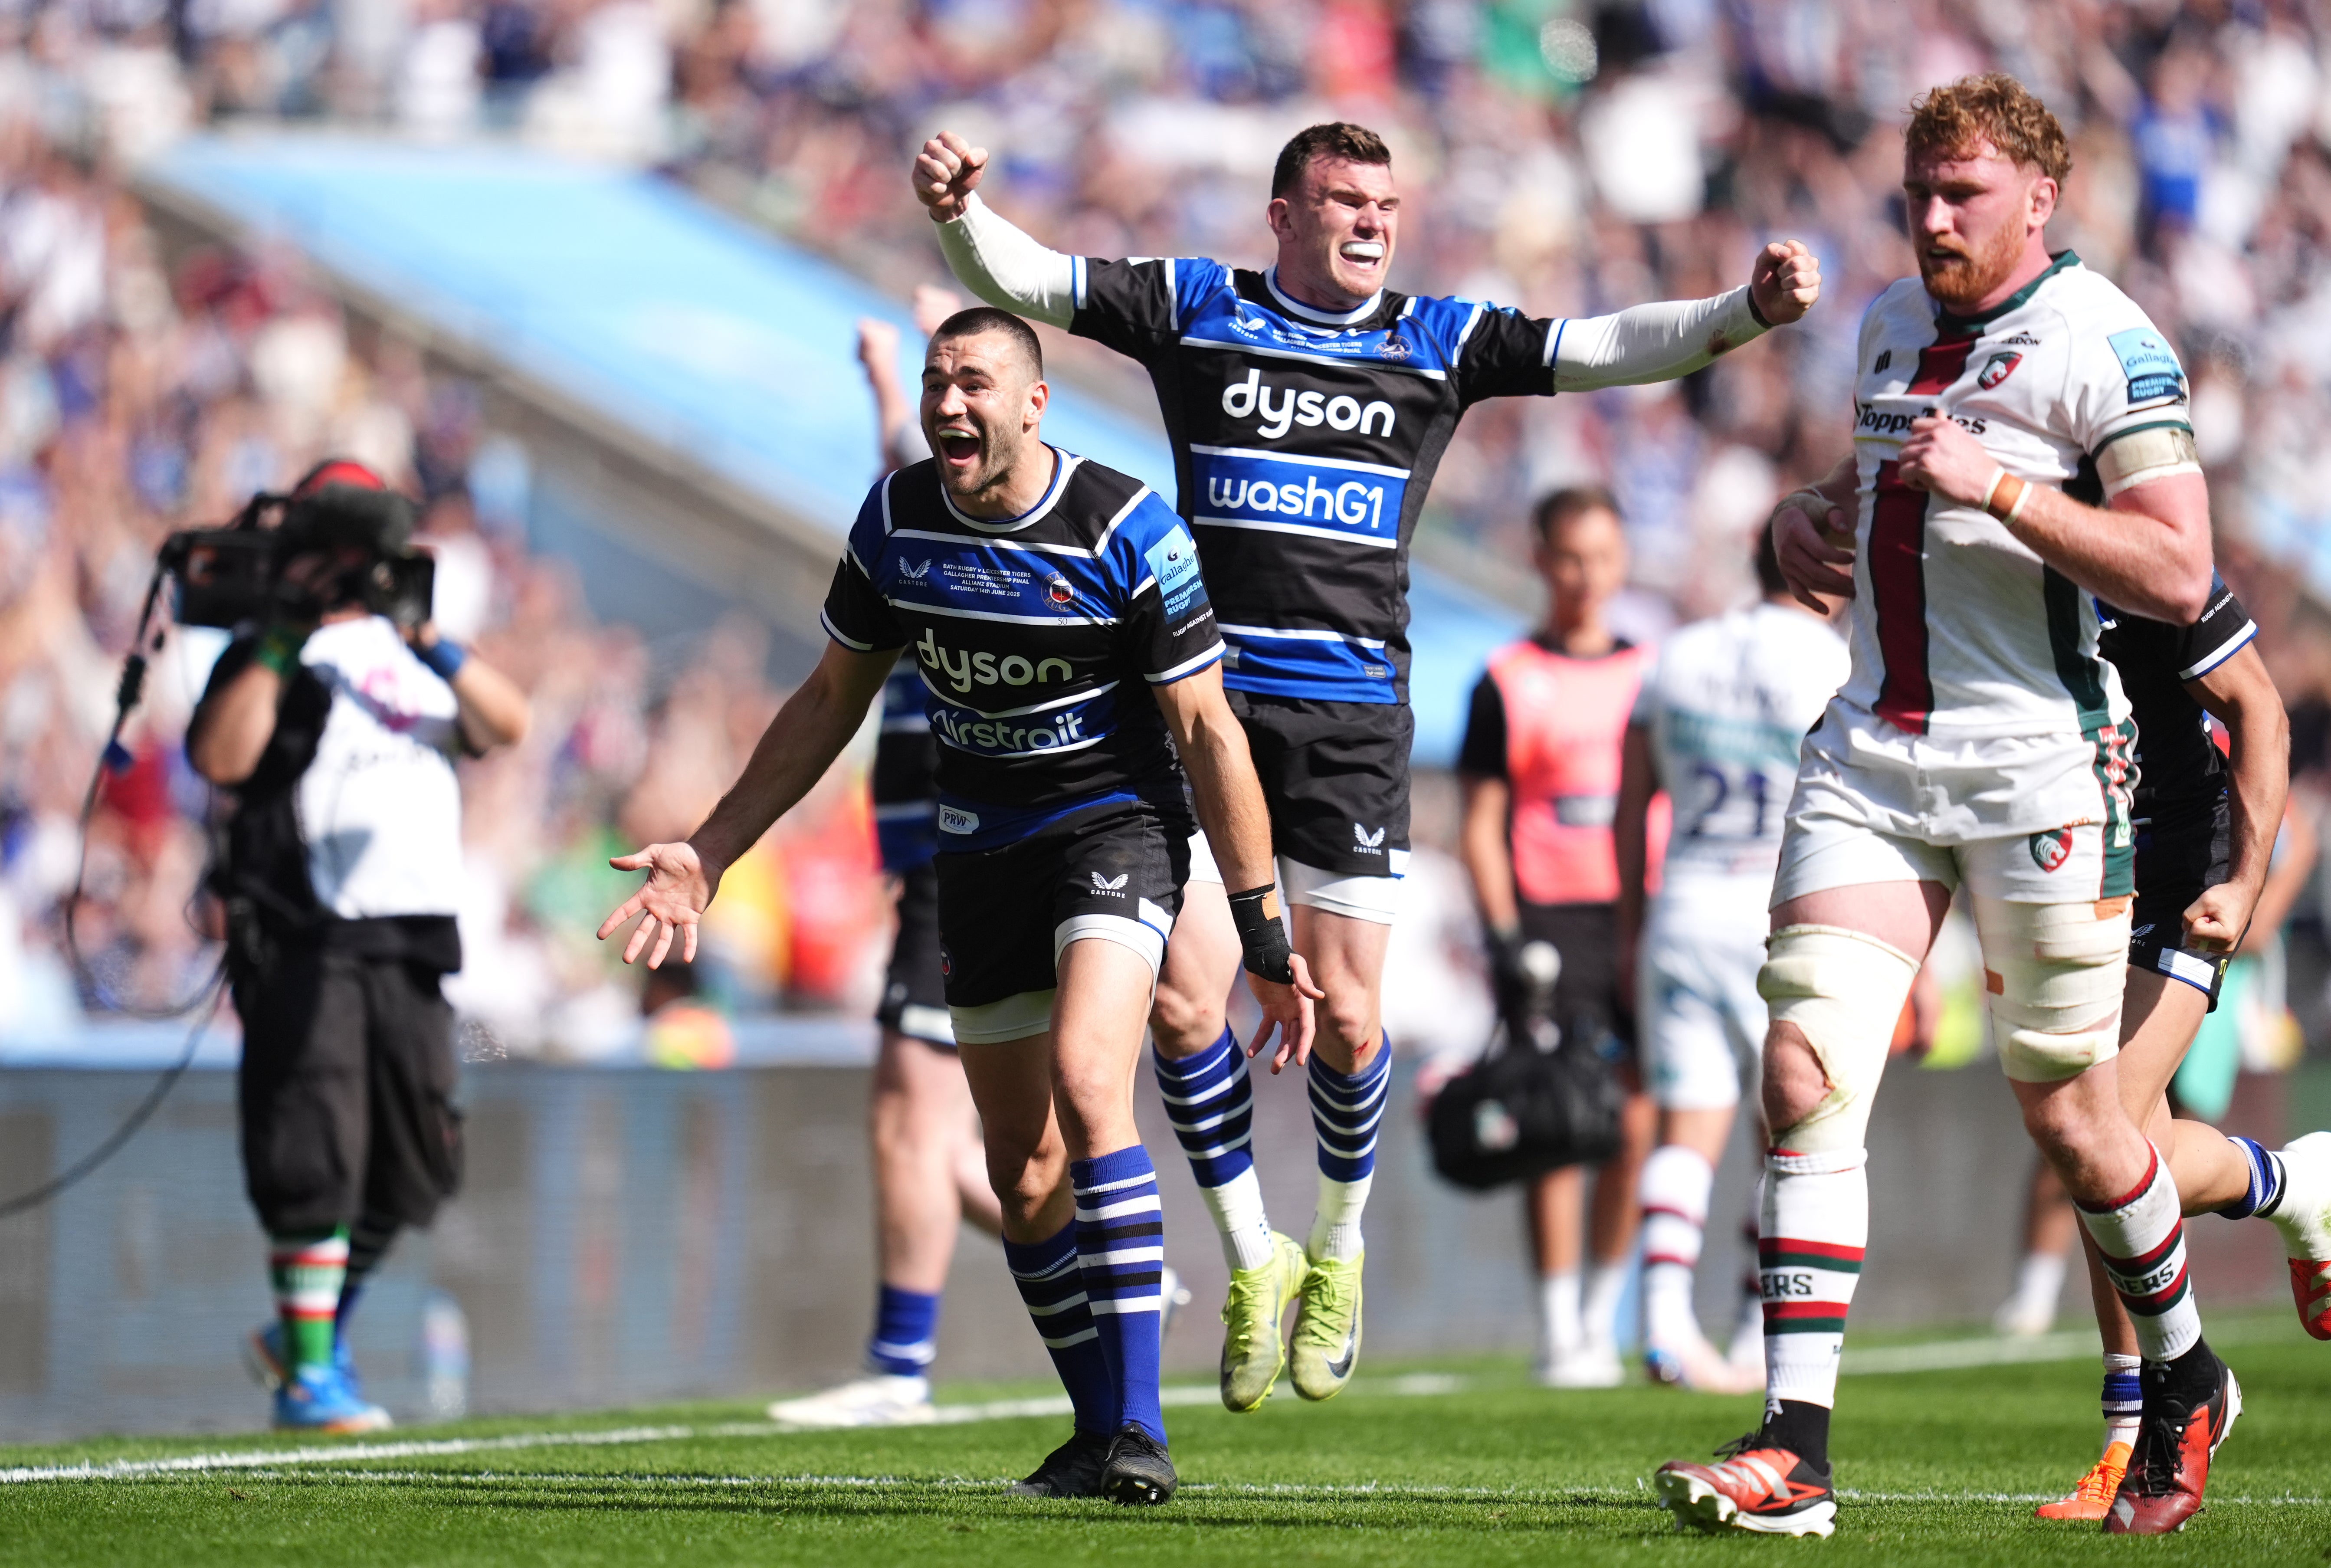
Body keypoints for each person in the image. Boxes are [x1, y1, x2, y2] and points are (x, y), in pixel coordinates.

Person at [913, 118, 1821, 1410]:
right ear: (1280, 214)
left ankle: (1334, 1245)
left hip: (1347, 724)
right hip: (1195, 711)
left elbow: (1601, 348)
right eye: (1341, 200)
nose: (1369, 222)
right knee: (1183, 1003)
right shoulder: (1196, 306)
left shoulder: (1434, 339)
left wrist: (1742, 312)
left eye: (1384, 204)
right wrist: (958, 220)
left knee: (1345, 1018)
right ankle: (1251, 1253)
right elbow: (1036, 281)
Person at [597, 307, 1318, 1505]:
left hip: (1113, 829)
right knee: (1022, 1168)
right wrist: (713, 850)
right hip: (975, 849)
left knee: (1095, 1083)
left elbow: (1205, 729)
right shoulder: (894, 522)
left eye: (972, 381)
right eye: (934, 382)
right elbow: (829, 697)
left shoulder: (1129, 527)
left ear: (1034, 404)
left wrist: (1262, 931)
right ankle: (1096, 1432)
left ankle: (1142, 1428)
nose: (947, 403)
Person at [1652, 74, 2234, 1537]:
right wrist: (1817, 511)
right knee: (1801, 1072)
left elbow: (2174, 573)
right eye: (1917, 192)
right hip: (1870, 755)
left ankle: (2185, 1368)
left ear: (2036, 200)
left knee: (2081, 1124)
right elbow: (1889, 478)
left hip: (2041, 763)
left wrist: (2009, 491)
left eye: (1959, 196)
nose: (1928, 220)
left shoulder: (2109, 344)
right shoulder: (1884, 324)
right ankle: (1796, 1447)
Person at [190, 459, 532, 1432]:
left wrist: (433, 638)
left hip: (416, 938)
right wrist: (286, 635)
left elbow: (509, 722)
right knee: (315, 1147)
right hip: (310, 935)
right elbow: (221, 758)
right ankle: (308, 1378)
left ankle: (309, 1328)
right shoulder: (266, 652)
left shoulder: (411, 653)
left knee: (422, 1156)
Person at [766, 296, 1016, 1429]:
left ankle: (902, 1364)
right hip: (938, 841)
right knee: (938, 1125)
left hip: (959, 840)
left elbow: (917, 485)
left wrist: (884, 380)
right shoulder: (922, 526)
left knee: (914, 1120)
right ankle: (1111, 1251)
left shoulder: (953, 527)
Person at [2032, 581, 2331, 1520]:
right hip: (2070, 869)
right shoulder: (1994, 548)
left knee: (2100, 1136)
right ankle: (2292, 1185)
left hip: (2174, 869)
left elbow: (2258, 713)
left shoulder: (2152, 560)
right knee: (2122, 1149)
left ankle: (2132, 1431)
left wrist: (2246, 885)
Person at [1614, 519, 1850, 1395]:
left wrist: (1630, 927)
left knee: (1686, 1126)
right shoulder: (1836, 666)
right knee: (1790, 1136)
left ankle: (1663, 1322)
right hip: (1784, 914)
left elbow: (1629, 806)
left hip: (1681, 902)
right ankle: (1761, 1337)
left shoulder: (1674, 655)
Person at [1456, 487, 1661, 1388]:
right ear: (1540, 560)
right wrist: (1504, 936)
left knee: (1636, 1120)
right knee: (1554, 1115)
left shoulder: (1654, 673)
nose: (1586, 578)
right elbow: (1480, 821)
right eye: (1569, 558)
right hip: (1549, 917)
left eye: (1602, 558)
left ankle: (1598, 1315)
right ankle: (1555, 1328)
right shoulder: (1504, 677)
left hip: (1639, 913)